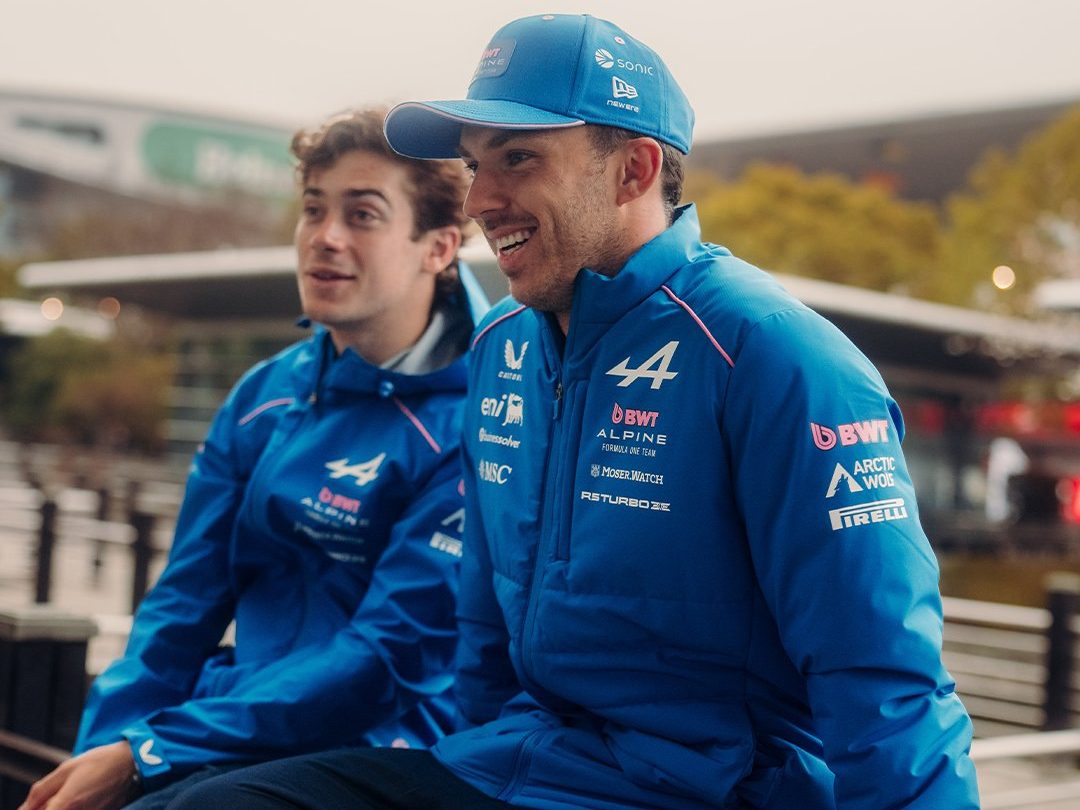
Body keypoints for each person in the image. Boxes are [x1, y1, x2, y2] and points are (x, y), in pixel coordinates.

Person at [169, 14, 981, 809]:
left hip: (708, 788)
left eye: (518, 158)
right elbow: (484, 634)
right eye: (475, 165)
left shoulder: (777, 357)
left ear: (633, 170)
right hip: (514, 764)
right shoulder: (502, 347)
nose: (481, 199)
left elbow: (883, 682)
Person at [20, 107, 487, 810]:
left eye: (362, 215)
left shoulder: (479, 418)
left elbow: (386, 658)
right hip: (233, 725)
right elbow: (182, 607)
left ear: (439, 247)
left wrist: (151, 752)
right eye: (312, 209)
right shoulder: (263, 397)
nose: (324, 238)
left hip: (384, 744)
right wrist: (106, 750)